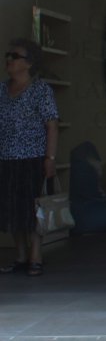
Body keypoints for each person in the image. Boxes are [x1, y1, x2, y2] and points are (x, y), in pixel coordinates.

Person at [0, 39, 59, 278]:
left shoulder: (40, 90)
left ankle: (36, 256)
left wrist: (50, 157)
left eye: (15, 56)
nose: (9, 60)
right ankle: (21, 257)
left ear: (29, 63)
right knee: (13, 209)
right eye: (8, 55)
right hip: (6, 158)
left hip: (33, 158)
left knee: (33, 209)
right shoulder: (2, 90)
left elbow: (52, 125)